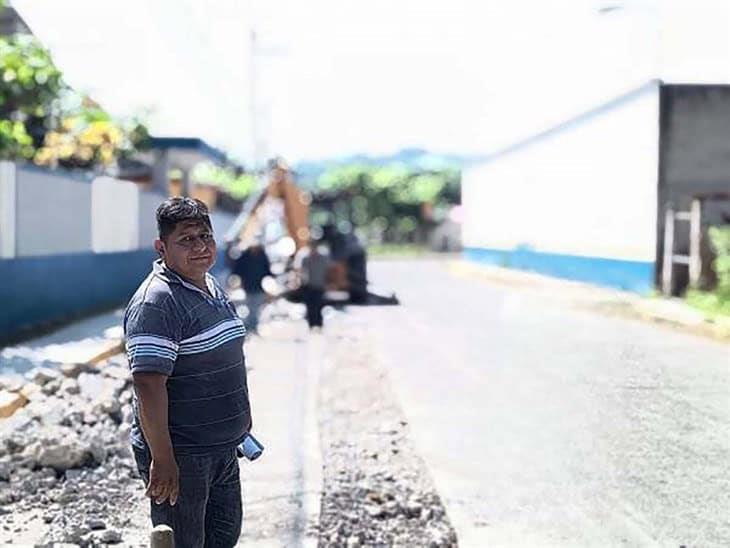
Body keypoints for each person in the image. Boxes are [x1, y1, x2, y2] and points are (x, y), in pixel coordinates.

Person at [124, 197, 251, 548]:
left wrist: (242, 420)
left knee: (222, 539)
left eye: (205, 236)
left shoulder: (210, 286)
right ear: (161, 247)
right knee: (184, 543)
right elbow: (148, 386)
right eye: (186, 240)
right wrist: (162, 458)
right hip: (183, 454)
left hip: (222, 448)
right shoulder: (157, 302)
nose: (200, 247)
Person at [231, 242, 271, 334]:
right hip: (248, 287)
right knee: (252, 307)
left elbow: (267, 271)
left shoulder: (262, 256)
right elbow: (238, 270)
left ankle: (252, 325)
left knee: (256, 307)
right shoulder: (245, 257)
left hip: (259, 287)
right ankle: (252, 326)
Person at [301, 243, 330, 330]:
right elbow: (302, 272)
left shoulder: (323, 259)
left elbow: (328, 271)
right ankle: (312, 324)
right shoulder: (306, 259)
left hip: (320, 286)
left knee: (318, 306)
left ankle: (319, 324)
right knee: (310, 307)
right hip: (309, 286)